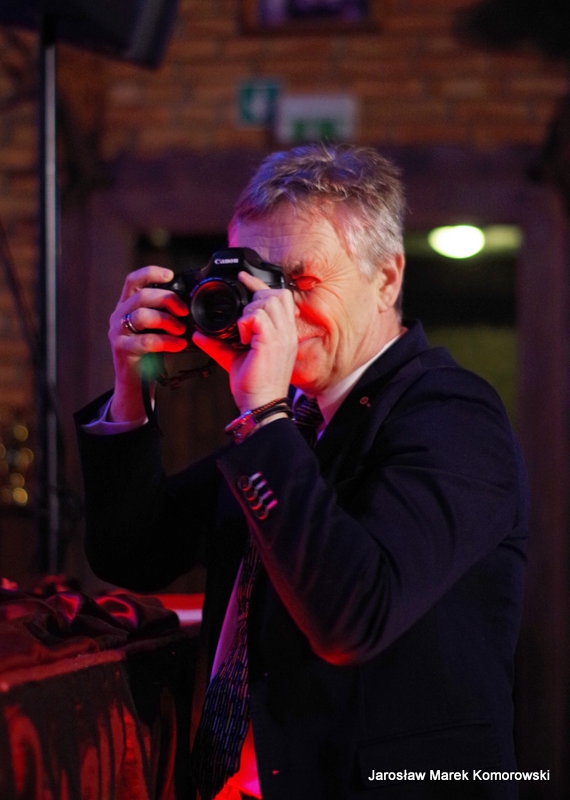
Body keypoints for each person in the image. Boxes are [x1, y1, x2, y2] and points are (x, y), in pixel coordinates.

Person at [75, 143, 528, 800]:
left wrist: (262, 414)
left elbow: (354, 617)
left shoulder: (453, 414)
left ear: (387, 277)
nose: (273, 311)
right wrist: (130, 384)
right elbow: (133, 551)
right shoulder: (294, 421)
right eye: (257, 282)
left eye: (302, 281)